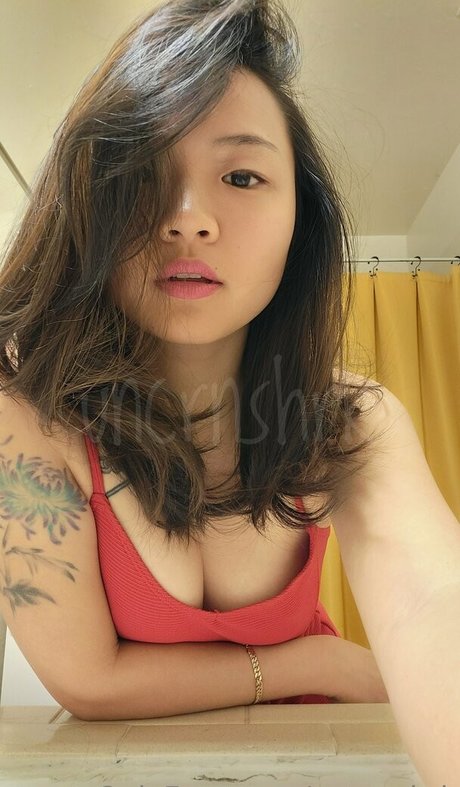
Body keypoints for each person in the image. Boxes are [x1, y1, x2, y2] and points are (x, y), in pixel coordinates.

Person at [0, 2, 459, 783]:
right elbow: (87, 679)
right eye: (142, 174)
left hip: (324, 755)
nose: (188, 220)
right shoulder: (29, 417)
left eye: (242, 176)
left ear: (299, 221)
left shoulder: (348, 419)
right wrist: (316, 659)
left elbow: (434, 599)